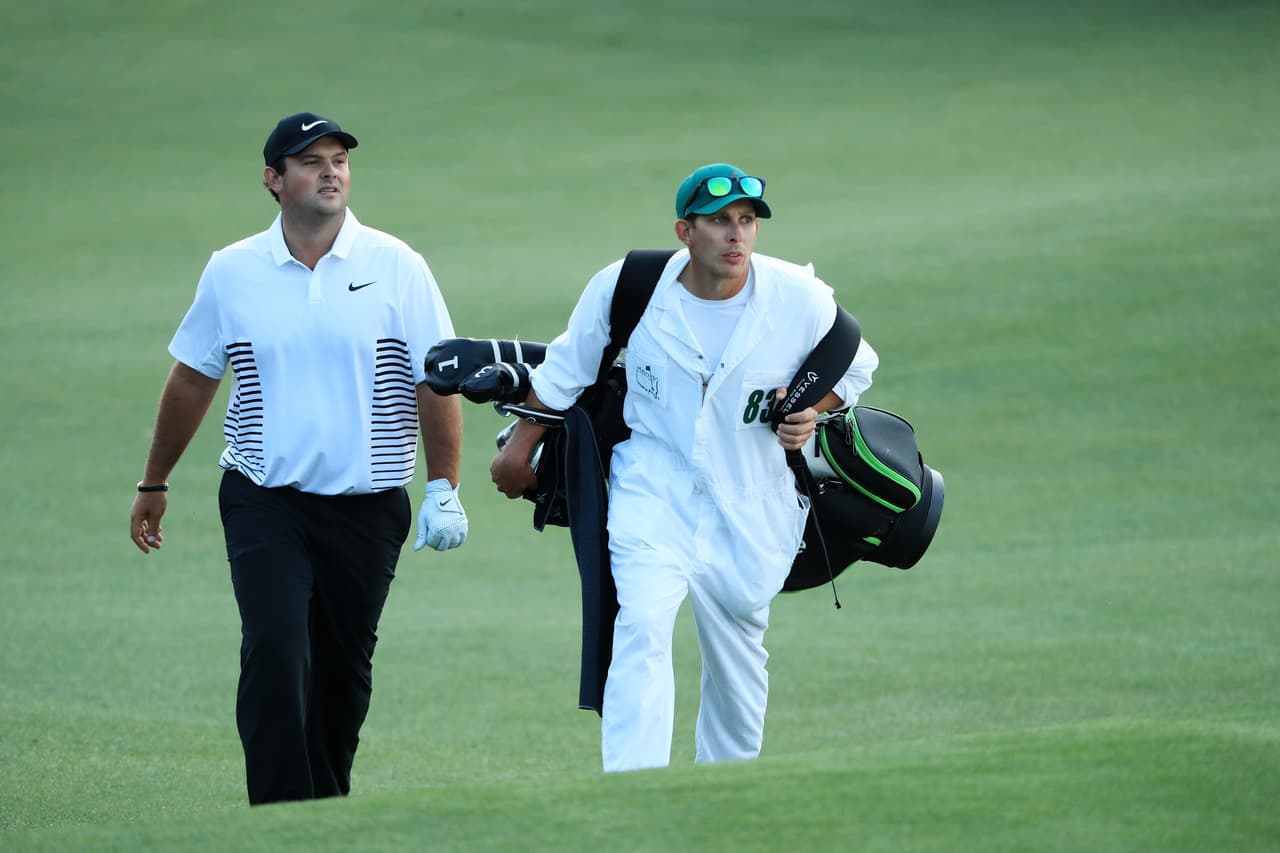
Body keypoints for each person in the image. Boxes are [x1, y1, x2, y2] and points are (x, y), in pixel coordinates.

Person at [490, 163, 878, 772]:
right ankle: (635, 788)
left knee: (737, 654)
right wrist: (518, 448)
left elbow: (855, 367)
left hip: (754, 499)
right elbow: (566, 371)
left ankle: (725, 791)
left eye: (746, 222)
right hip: (654, 485)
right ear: (684, 231)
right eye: (719, 221)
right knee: (640, 627)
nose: (736, 235)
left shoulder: (799, 299)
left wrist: (811, 411)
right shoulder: (628, 286)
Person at [128, 111, 468, 805]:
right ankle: (280, 813)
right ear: (273, 180)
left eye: (339, 159)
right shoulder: (233, 270)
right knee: (277, 650)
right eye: (311, 161)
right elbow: (194, 376)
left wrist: (444, 487)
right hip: (264, 497)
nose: (330, 171)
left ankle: (323, 809)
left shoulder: (396, 265)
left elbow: (436, 378)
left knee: (342, 672)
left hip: (368, 506)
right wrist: (154, 481)